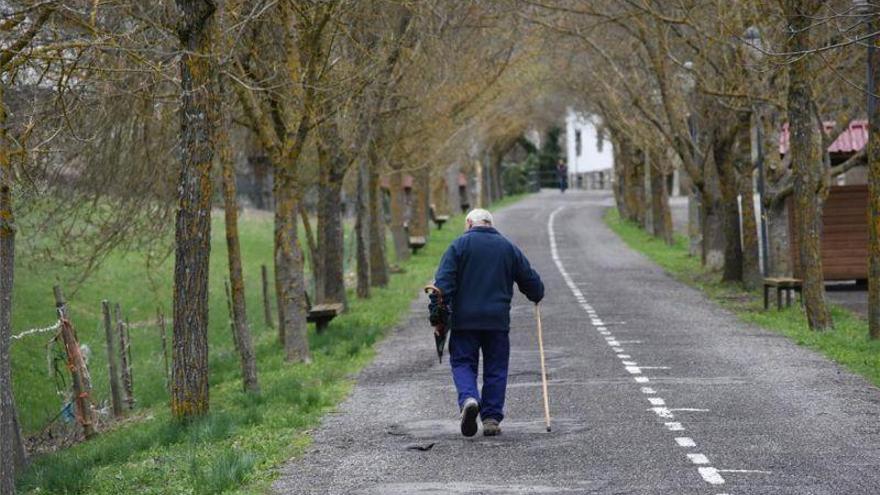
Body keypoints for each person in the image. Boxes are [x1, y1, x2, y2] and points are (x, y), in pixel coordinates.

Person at [430, 208, 544, 437]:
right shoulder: (508, 247)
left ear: (469, 223)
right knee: (496, 368)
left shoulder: (458, 246)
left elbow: (442, 286)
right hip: (497, 322)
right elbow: (533, 285)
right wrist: (536, 294)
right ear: (490, 224)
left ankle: (469, 399)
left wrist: (436, 315)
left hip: (464, 322)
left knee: (462, 363)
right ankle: (491, 417)